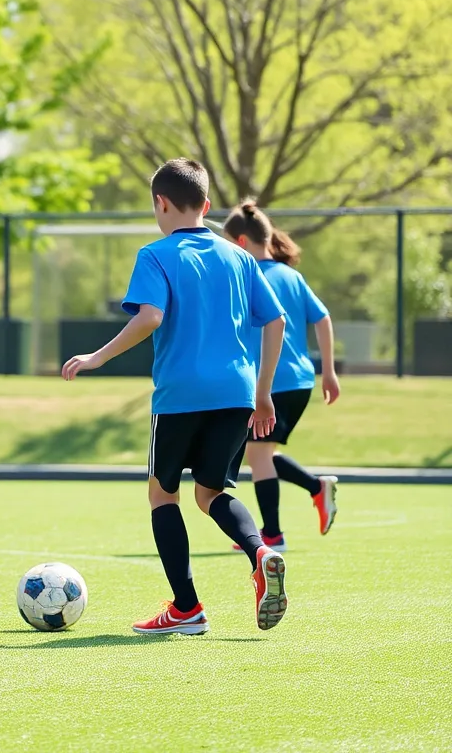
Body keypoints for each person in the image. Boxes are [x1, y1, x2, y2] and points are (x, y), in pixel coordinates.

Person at [62, 159, 289, 634]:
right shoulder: (240, 256)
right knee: (211, 492)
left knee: (163, 494)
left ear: (160, 203)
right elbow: (276, 320)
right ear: (207, 206)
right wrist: (264, 393)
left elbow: (149, 318)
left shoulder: (157, 254)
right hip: (238, 393)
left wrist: (97, 358)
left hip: (181, 395)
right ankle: (260, 551)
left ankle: (186, 609)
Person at [223, 201, 340, 548]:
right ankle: (315, 488)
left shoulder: (247, 276)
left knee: (258, 455)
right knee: (261, 454)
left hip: (272, 384)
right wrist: (329, 371)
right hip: (300, 381)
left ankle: (272, 534)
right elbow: (323, 318)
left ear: (241, 242)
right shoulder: (292, 275)